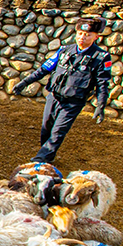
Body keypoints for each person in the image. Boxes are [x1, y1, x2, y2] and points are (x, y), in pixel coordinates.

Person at [11, 16, 112, 163]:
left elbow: (102, 83)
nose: (82, 37)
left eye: (87, 35)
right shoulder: (65, 50)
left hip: (73, 102)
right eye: (80, 34)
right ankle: (47, 154)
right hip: (54, 96)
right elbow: (44, 69)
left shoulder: (101, 57)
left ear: (96, 37)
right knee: (46, 127)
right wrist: (24, 83)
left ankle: (41, 159)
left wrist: (100, 106)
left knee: (58, 131)